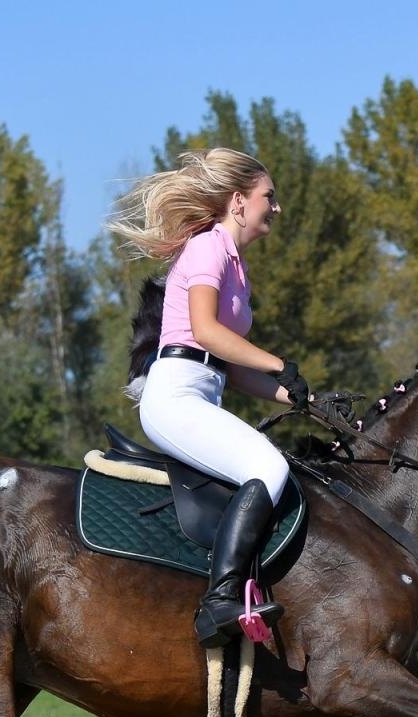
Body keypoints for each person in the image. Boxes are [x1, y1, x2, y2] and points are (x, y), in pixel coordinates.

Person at [110, 148, 311, 648]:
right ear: (239, 202)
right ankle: (220, 600)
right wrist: (277, 362)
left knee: (269, 467)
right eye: (269, 197)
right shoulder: (208, 248)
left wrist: (297, 397)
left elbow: (231, 369)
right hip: (175, 395)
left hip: (203, 390)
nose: (276, 207)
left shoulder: (238, 268)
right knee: (268, 468)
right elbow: (205, 332)